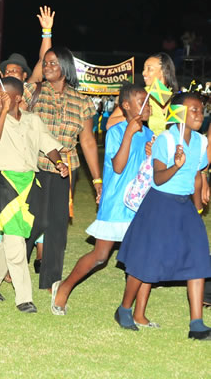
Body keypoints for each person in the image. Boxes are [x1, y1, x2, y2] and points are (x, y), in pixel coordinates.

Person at [51, 83, 155, 320]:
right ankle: (64, 287)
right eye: (142, 102)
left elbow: (149, 171)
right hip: (115, 202)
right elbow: (118, 166)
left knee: (139, 258)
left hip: (139, 203)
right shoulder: (116, 131)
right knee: (100, 256)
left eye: (149, 102)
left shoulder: (150, 135)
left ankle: (132, 312)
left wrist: (151, 155)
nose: (148, 106)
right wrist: (129, 133)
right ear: (126, 106)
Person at [115, 92, 211, 339]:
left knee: (198, 258)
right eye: (194, 110)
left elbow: (198, 175)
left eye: (201, 110)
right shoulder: (166, 141)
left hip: (184, 205)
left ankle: (197, 324)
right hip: (159, 203)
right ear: (178, 113)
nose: (200, 115)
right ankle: (125, 308)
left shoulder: (201, 142)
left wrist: (199, 203)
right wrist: (175, 165)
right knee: (146, 261)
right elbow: (158, 179)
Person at [0, 77, 67, 313]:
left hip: (28, 182)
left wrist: (59, 163)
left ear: (17, 98)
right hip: (5, 181)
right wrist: (3, 112)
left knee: (13, 239)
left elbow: (48, 144)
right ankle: (24, 298)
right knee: (16, 238)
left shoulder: (32, 120)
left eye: (2, 96)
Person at [24, 47, 103, 292]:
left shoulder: (82, 102)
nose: (47, 67)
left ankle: (50, 280)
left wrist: (97, 181)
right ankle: (9, 267)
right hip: (35, 165)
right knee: (31, 221)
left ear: (66, 68)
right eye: (46, 63)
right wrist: (46, 34)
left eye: (53, 63)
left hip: (65, 169)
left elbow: (88, 141)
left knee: (57, 226)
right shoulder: (33, 92)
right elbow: (36, 67)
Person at [105, 52, 179, 133]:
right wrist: (137, 115)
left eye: (149, 69)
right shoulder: (140, 95)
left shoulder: (177, 98)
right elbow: (109, 124)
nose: (143, 73)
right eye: (144, 69)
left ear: (163, 71)